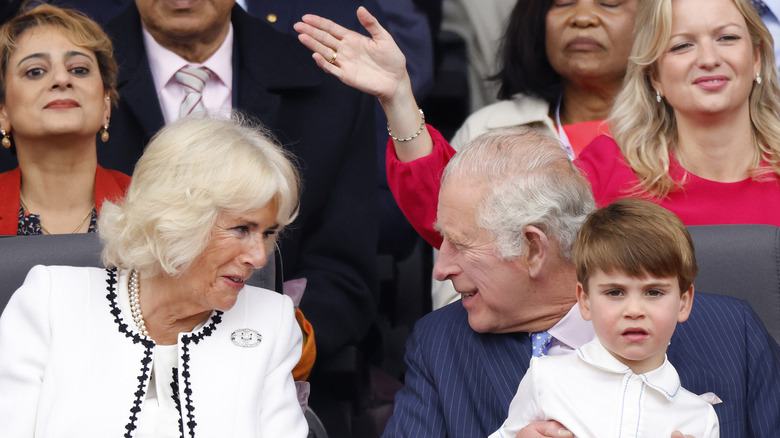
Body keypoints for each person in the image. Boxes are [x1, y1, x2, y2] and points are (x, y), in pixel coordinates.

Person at [378, 126, 780, 438]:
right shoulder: (441, 347)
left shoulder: (732, 331)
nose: (441, 268)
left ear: (534, 249)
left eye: (461, 244)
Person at [89, 0, 377, 397]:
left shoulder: (327, 85)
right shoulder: (72, 79)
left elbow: (344, 272)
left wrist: (269, 343)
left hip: (270, 378)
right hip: (101, 369)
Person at [294, 0, 636, 307]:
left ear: (654, 21)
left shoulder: (677, 127)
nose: (583, 17)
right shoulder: (491, 126)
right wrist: (398, 96)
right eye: (562, 2)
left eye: (609, 2)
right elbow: (444, 220)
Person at [0, 115, 308, 437]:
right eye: (241, 229)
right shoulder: (52, 301)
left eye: (268, 233)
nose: (259, 257)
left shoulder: (271, 321)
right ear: (176, 220)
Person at [492, 199, 719, 438]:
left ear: (683, 302)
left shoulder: (699, 418)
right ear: (585, 300)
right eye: (615, 292)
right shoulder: (546, 379)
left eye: (654, 292)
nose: (634, 310)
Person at [577, 0, 780, 226]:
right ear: (654, 76)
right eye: (682, 45)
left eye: (727, 38)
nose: (709, 59)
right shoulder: (604, 170)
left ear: (756, 58)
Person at [0, 4, 129, 235]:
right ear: (3, 112)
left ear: (105, 105)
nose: (61, 79)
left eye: (79, 69)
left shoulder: (151, 210)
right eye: (35, 71)